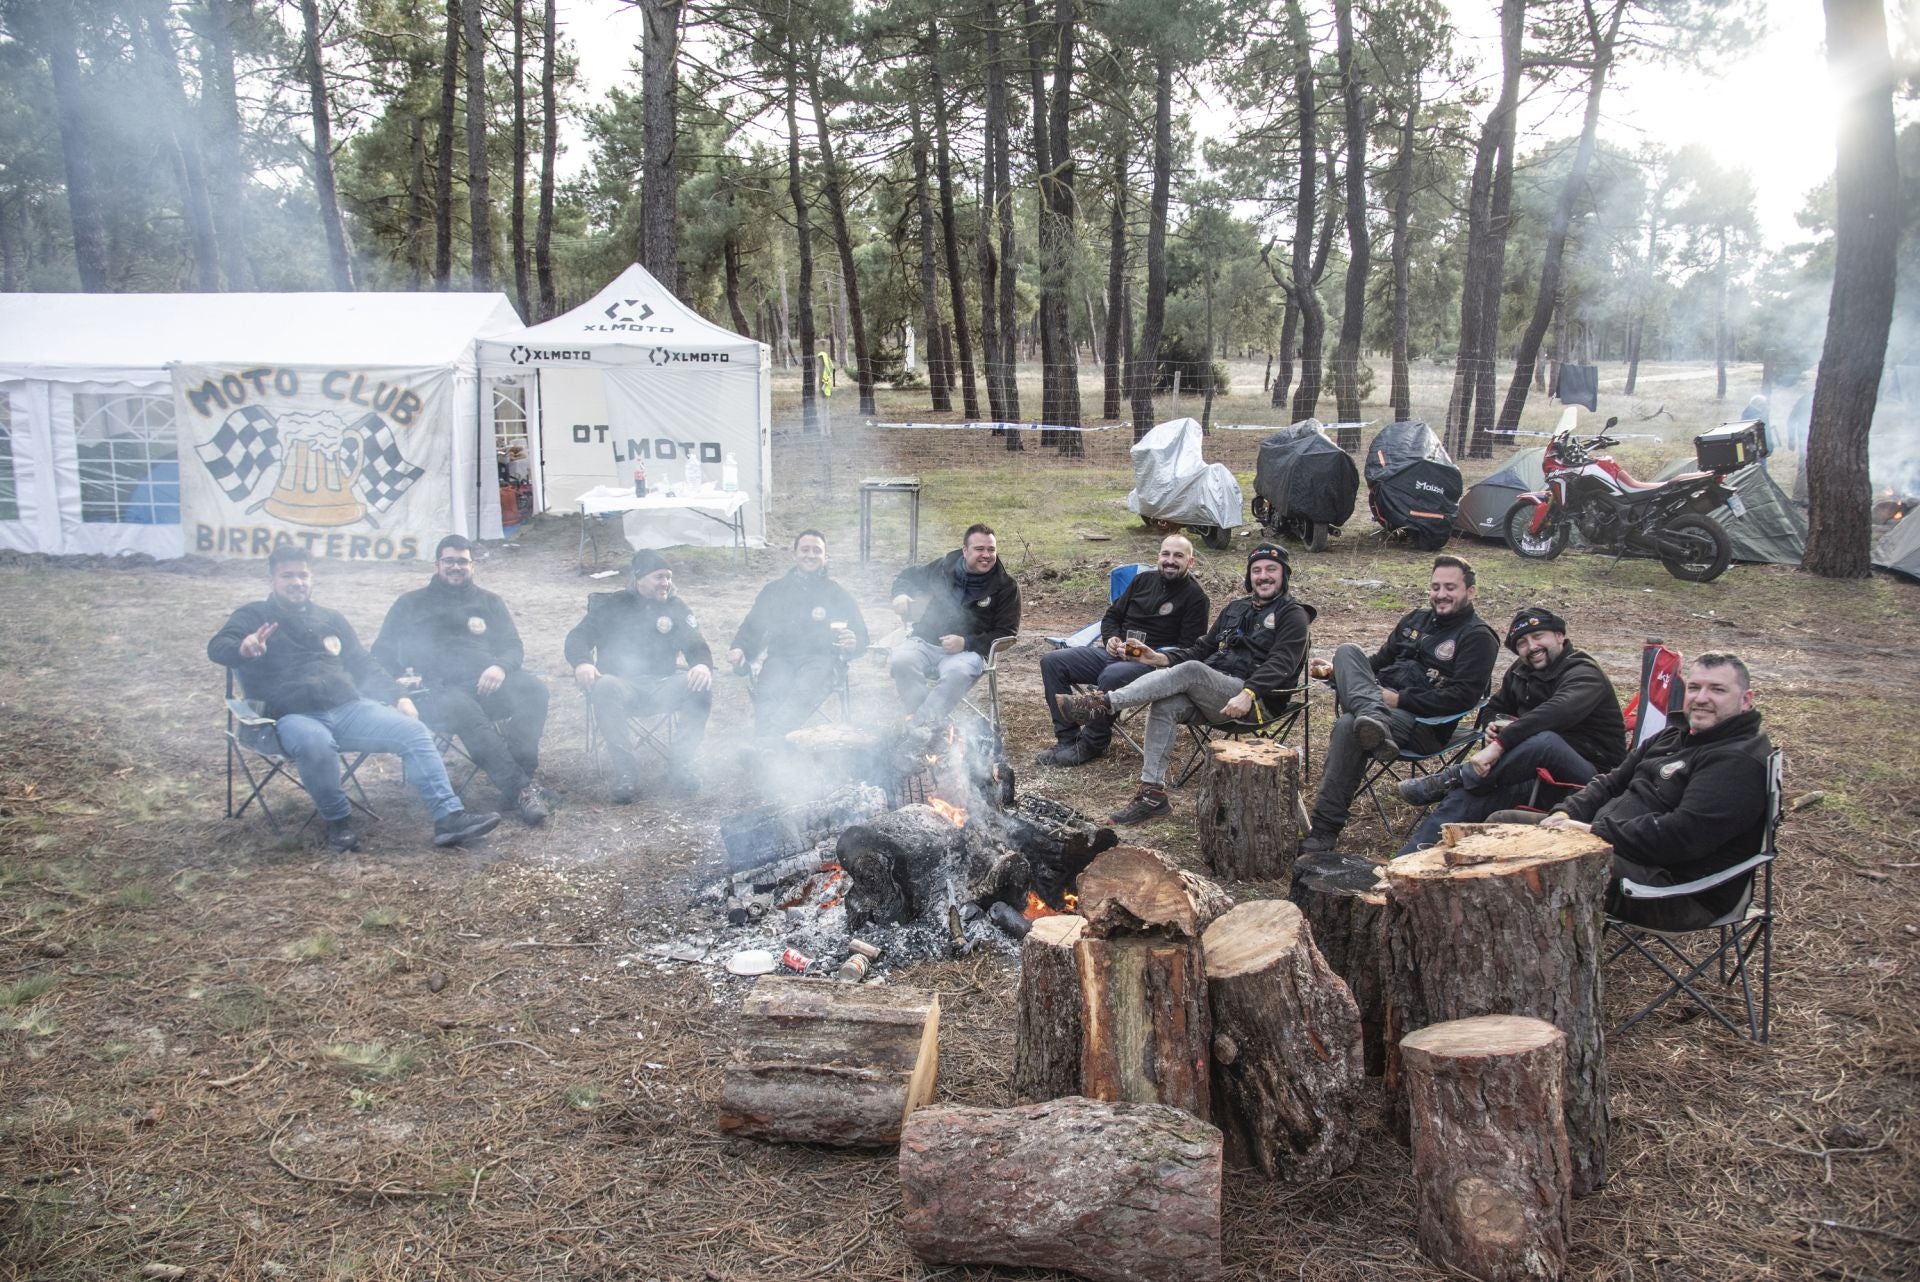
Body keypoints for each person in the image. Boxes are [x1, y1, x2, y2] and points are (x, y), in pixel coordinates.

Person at [208, 545, 501, 853]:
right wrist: (243, 647)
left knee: (413, 731)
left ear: (312, 578)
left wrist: (397, 696)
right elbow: (217, 646)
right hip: (291, 716)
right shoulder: (253, 615)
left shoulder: (330, 618)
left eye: (303, 575)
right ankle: (338, 821)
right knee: (315, 743)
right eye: (288, 576)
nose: (297, 582)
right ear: (272, 579)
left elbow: (362, 663)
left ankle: (449, 818)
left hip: (347, 709)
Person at [1492, 653, 1773, 931]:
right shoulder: (1674, 735)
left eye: (1718, 690)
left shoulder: (1738, 761)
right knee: (1499, 827)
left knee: (1535, 862)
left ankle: (1518, 949)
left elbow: (1680, 837)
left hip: (1674, 891)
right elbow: (1610, 782)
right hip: (1613, 849)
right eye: (1695, 687)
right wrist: (1567, 812)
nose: (1701, 698)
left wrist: (1591, 832)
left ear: (1746, 699)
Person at [1056, 543, 1313, 825]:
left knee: (1191, 670)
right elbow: (1201, 648)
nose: (1263, 576)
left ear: (1284, 575)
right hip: (1215, 694)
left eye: (1271, 570)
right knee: (1166, 702)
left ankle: (1102, 703)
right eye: (1257, 571)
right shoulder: (1236, 608)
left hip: (1254, 700)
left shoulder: (1293, 615)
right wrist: (1160, 657)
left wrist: (1250, 693)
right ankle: (1152, 794)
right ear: (1249, 577)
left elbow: (1282, 664)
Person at [1302, 555, 1499, 856]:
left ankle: (1324, 830)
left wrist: (1398, 699)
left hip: (1422, 723)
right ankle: (1372, 717)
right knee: (1346, 652)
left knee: (1347, 726)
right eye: (1435, 587)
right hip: (1380, 707)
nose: (1441, 594)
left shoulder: (1477, 637)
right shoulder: (1414, 620)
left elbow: (1462, 697)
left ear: (1470, 592)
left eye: (1450, 587)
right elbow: (1376, 664)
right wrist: (1337, 672)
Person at [1394, 606, 1626, 854]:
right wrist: (1493, 725)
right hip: (1534, 774)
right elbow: (1494, 707)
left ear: (1560, 636)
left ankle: (1458, 775)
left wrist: (1500, 744)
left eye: (1538, 637)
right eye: (1522, 643)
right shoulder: (1520, 671)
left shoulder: (1582, 671)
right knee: (1468, 792)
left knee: (1545, 740)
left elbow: (1555, 713)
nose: (1531, 647)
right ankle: (1408, 862)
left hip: (1590, 779)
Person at [372, 535, 552, 826]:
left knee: (534, 691)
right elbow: (380, 651)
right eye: (449, 561)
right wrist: (398, 679)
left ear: (473, 565)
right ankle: (522, 790)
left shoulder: (489, 602)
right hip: (434, 691)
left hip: (485, 683)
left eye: (462, 561)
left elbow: (513, 645)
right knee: (461, 707)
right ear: (437, 564)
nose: (456, 567)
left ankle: (522, 774)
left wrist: (500, 667)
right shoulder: (410, 603)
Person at [1036, 534, 1211, 767]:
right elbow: (1112, 616)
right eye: (1166, 554)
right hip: (1114, 653)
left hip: (1150, 665)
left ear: (1190, 562)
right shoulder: (1142, 581)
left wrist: (1153, 655)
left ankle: (1092, 743)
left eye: (1178, 556)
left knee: (1113, 675)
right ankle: (1067, 740)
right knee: (1052, 661)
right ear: (1158, 557)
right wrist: (1111, 638)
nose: (1170, 560)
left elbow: (1189, 648)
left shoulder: (1196, 597)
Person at [564, 549, 713, 800]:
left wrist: (701, 665)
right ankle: (627, 774)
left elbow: (697, 646)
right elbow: (576, 637)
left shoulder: (675, 608)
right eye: (659, 577)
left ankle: (679, 766)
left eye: (668, 577)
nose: (665, 583)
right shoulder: (612, 605)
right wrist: (582, 663)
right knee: (605, 686)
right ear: (639, 579)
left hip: (663, 685)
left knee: (700, 685)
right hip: (621, 685)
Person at [726, 530, 869, 738]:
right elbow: (752, 627)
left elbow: (862, 635)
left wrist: (854, 642)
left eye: (817, 551)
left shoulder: (837, 593)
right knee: (768, 692)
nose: (810, 555)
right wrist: (739, 648)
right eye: (805, 550)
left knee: (803, 690)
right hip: (781, 658)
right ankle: (773, 749)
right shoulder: (774, 590)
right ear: (795, 555)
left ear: (825, 557)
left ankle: (768, 743)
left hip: (823, 661)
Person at [888, 523, 1020, 730]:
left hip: (968, 653)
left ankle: (920, 726)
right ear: (965, 550)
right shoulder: (943, 568)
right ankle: (930, 723)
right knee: (900, 659)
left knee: (957, 673)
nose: (986, 555)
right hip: (924, 641)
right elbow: (907, 577)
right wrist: (901, 594)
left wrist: (967, 642)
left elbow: (1007, 634)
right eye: (979, 549)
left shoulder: (1005, 586)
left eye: (991, 549)